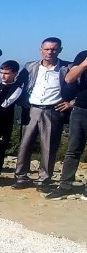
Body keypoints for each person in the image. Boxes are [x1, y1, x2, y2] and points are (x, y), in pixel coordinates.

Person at [13, 38, 74, 189]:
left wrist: (71, 103)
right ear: (41, 49)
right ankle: (21, 177)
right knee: (25, 144)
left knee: (48, 146)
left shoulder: (67, 68)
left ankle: (44, 179)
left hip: (54, 110)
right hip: (32, 109)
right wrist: (22, 101)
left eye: (53, 49)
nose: (50, 52)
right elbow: (18, 84)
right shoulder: (30, 66)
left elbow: (81, 86)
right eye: (47, 49)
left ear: (60, 50)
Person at [46, 49, 87, 200]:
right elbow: (69, 79)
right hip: (81, 108)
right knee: (73, 149)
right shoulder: (83, 55)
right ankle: (64, 186)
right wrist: (84, 64)